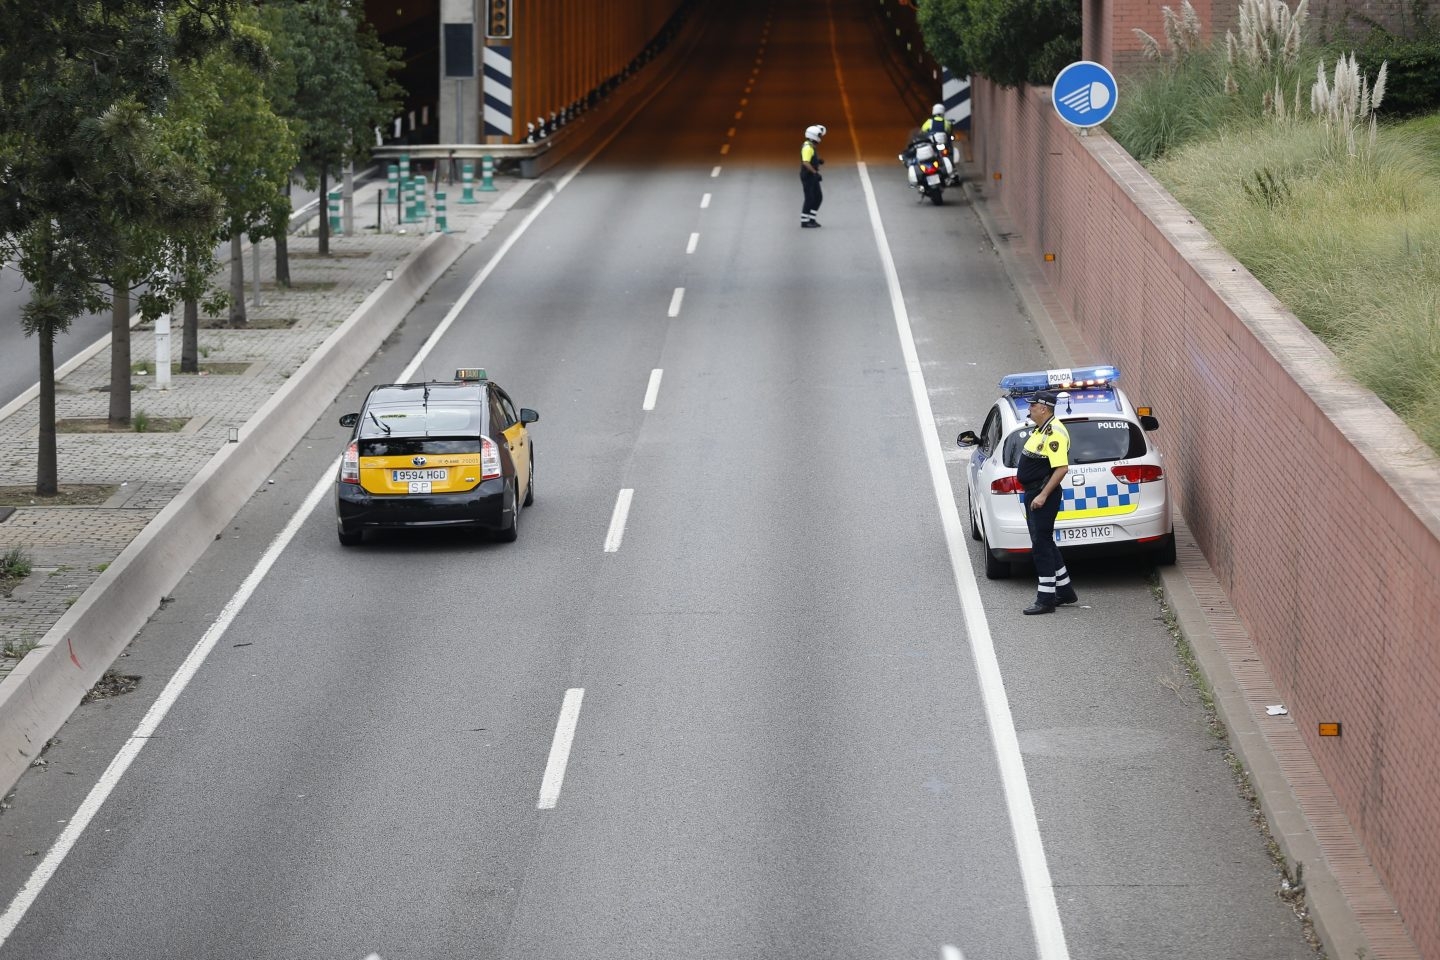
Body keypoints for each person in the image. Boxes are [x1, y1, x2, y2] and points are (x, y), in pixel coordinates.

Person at [1016, 390, 1078, 614]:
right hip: (1034, 493)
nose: (1029, 408)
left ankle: (1045, 599)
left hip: (1043, 495)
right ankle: (1065, 591)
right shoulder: (1041, 429)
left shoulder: (1054, 434)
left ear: (1044, 408)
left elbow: (1061, 468)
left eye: (1033, 406)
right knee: (1045, 541)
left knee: (1040, 547)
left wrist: (1042, 495)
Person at [800, 124, 825, 228]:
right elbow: (805, 162)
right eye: (819, 135)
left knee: (818, 197)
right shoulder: (807, 147)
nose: (820, 138)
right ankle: (804, 222)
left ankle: (812, 219)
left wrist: (817, 161)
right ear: (814, 136)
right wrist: (815, 173)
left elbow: (810, 159)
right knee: (809, 198)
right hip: (808, 176)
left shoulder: (810, 146)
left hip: (812, 175)